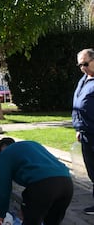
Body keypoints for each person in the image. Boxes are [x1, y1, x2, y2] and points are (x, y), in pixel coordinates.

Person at [0, 137, 73, 225]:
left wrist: (2, 214)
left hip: (44, 186)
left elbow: (3, 188)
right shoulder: (32, 145)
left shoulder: (4, 156)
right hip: (67, 183)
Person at [72, 48, 94, 215]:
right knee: (92, 170)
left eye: (85, 64)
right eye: (80, 65)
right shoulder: (84, 80)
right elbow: (78, 105)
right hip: (85, 132)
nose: (83, 68)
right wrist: (78, 128)